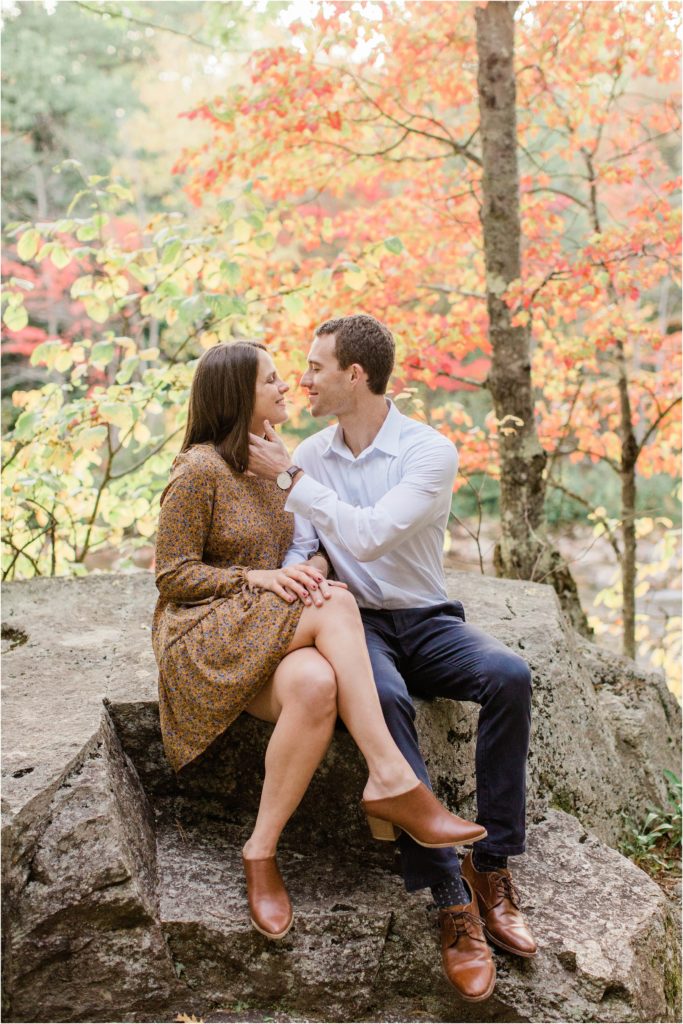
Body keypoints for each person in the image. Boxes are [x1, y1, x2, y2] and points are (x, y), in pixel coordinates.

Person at [151, 340, 488, 944]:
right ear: (236, 396)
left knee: (315, 684)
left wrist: (304, 568)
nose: (288, 388)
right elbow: (172, 575)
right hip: (207, 633)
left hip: (265, 627)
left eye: (290, 375)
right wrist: (256, 577)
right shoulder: (199, 468)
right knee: (335, 602)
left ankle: (260, 850)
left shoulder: (276, 462)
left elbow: (307, 542)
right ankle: (390, 776)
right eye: (272, 380)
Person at [247, 314, 537, 1002]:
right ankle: (448, 900)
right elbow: (305, 539)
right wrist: (301, 566)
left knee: (509, 676)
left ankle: (490, 867)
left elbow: (373, 536)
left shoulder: (426, 450)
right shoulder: (312, 455)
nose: (304, 379)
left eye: (316, 367)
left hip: (426, 618)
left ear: (355, 376)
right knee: (383, 701)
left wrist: (290, 477)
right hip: (357, 627)